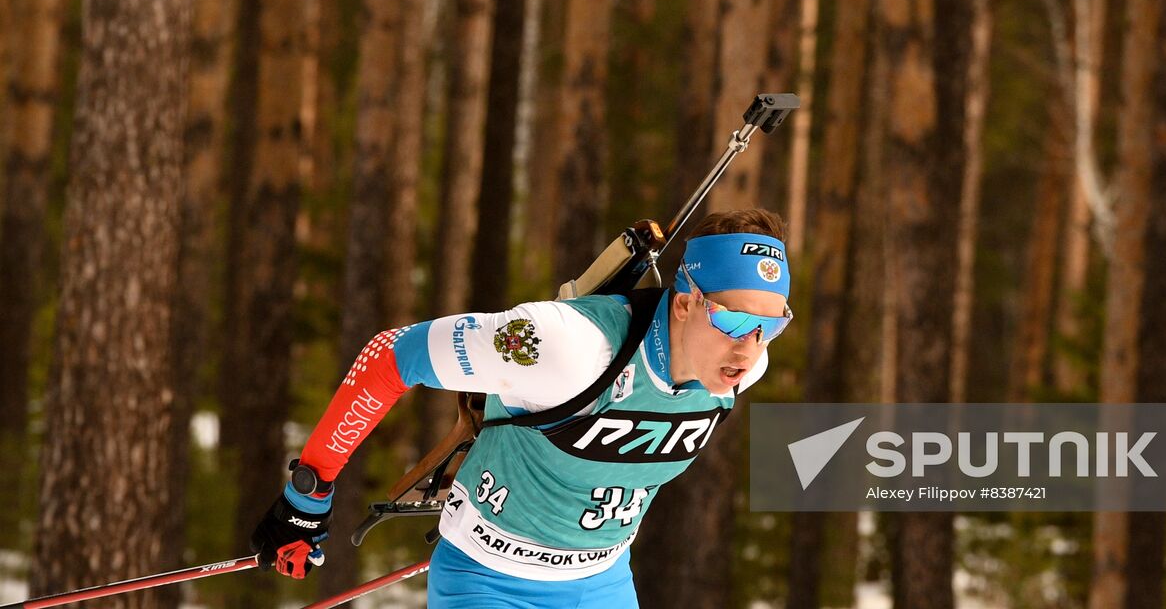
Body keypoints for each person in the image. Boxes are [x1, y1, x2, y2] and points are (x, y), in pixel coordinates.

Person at [250, 208, 794, 608]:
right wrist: (308, 493)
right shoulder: (565, 346)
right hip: (489, 582)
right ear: (684, 302)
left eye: (771, 327)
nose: (749, 347)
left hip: (603, 584)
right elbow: (389, 356)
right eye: (733, 319)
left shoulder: (738, 367)